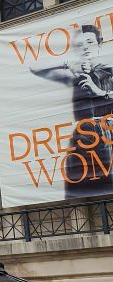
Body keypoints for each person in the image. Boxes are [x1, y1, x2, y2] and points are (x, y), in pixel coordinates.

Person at [30, 25, 113, 198]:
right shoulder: (76, 75)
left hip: (109, 135)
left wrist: (101, 93)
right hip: (84, 140)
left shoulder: (110, 69)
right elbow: (34, 67)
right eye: (79, 46)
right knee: (81, 194)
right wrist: (67, 63)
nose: (85, 48)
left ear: (99, 44)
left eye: (90, 42)